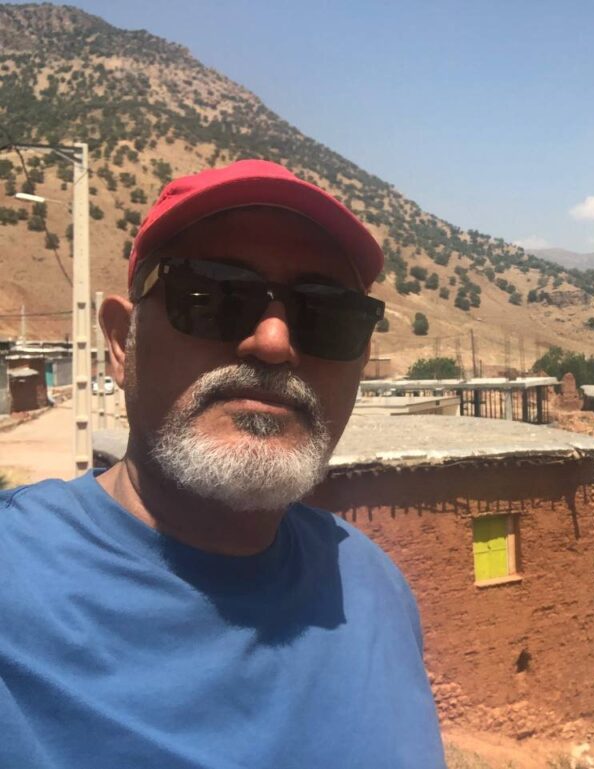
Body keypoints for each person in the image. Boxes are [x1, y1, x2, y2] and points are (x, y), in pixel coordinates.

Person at [0, 160, 445, 768]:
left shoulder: (372, 587)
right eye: (211, 296)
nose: (274, 343)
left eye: (327, 315)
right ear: (122, 343)